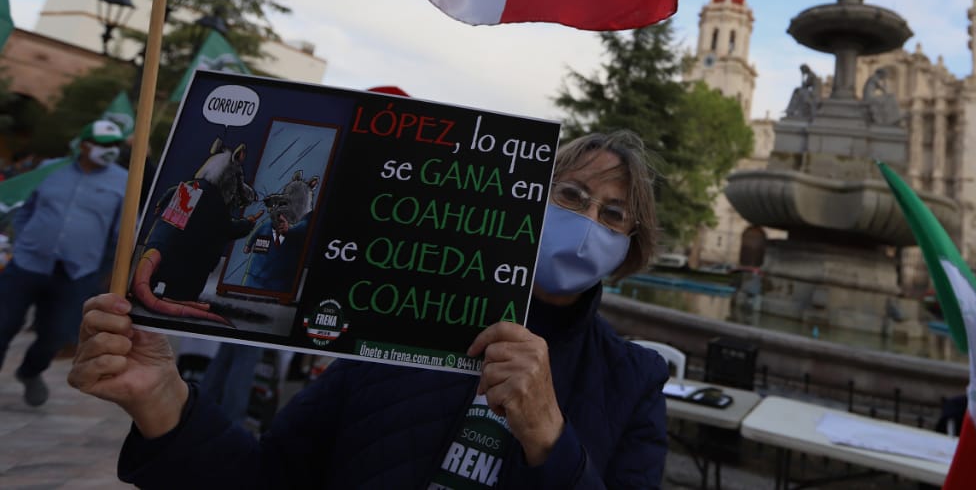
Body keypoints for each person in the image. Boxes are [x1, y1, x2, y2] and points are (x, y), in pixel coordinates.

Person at [69, 130, 668, 488]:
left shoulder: (633, 380)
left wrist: (550, 437)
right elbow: (268, 478)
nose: (588, 223)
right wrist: (165, 403)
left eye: (613, 214)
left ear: (629, 246)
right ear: (527, 200)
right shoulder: (397, 332)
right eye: (570, 195)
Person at [0, 119, 128, 406]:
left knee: (56, 336)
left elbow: (121, 234)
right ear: (84, 144)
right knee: (3, 323)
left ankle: (30, 372)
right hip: (27, 264)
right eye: (104, 144)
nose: (110, 150)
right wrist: (21, 243)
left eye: (115, 145)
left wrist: (106, 271)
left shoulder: (123, 182)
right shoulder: (50, 169)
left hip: (76, 273)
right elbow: (24, 208)